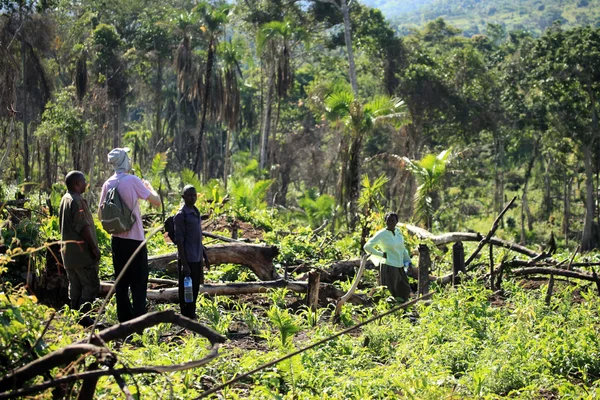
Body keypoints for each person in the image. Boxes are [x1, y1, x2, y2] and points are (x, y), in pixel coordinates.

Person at [98, 148, 161, 323]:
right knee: (139, 282)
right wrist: (149, 187)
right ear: (125, 161)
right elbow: (156, 202)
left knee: (121, 282)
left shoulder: (107, 183)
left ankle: (123, 322)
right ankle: (138, 322)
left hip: (117, 240)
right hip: (135, 241)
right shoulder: (132, 181)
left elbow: (100, 214)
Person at [59, 171, 101, 326]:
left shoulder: (65, 199)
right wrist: (94, 248)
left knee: (75, 286)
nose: (86, 184)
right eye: (84, 181)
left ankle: (74, 317)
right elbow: (83, 227)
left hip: (69, 255)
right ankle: (84, 318)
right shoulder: (76, 201)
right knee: (91, 285)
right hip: (82, 253)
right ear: (77, 183)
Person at [174, 185, 209, 319]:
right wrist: (185, 264)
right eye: (189, 195)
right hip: (187, 258)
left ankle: (191, 312)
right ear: (183, 197)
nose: (192, 198)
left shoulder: (195, 211)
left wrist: (204, 255)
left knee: (194, 287)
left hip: (197, 256)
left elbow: (198, 236)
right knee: (185, 288)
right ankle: (185, 314)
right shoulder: (181, 215)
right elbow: (180, 241)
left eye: (194, 195)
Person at [363, 212, 414, 301]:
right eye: (388, 220)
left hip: (400, 266)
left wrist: (408, 262)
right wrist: (381, 254)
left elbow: (402, 249)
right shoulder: (382, 234)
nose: (390, 222)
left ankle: (403, 309)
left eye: (392, 220)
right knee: (390, 292)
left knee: (404, 290)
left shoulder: (398, 232)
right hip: (389, 266)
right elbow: (367, 246)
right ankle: (390, 311)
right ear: (385, 221)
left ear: (396, 222)